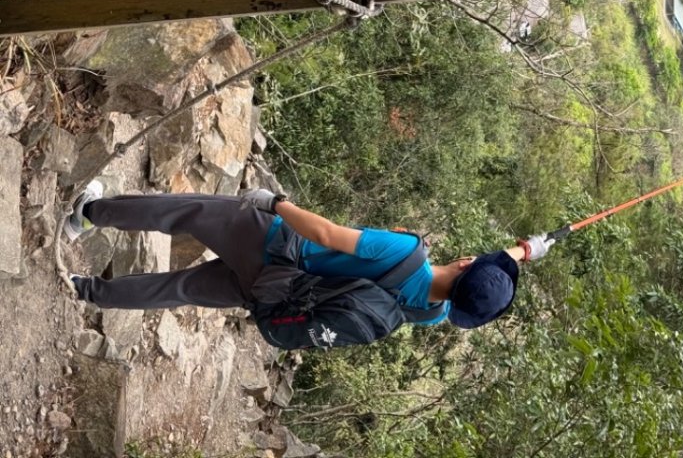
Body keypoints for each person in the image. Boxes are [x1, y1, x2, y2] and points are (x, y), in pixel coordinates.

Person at [63, 181, 553, 331]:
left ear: (467, 263)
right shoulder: (426, 313)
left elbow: (327, 232)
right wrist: (525, 250)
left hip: (272, 246)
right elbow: (476, 278)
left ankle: (88, 212)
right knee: (181, 290)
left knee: (185, 212)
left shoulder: (406, 250)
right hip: (275, 293)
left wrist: (275, 204)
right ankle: (85, 291)